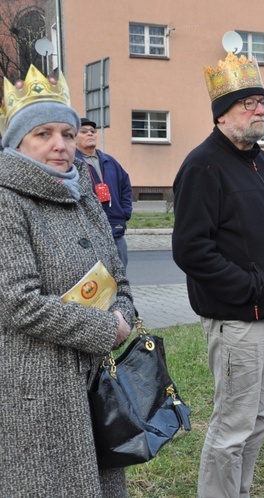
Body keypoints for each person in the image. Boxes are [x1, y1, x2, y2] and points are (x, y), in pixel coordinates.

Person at [171, 52, 264, 497]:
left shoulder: (260, 160)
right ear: (222, 113)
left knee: (258, 419)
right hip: (236, 318)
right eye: (250, 103)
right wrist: (250, 288)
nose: (261, 111)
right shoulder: (202, 165)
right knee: (233, 425)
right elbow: (191, 249)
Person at [0, 65, 134, 496]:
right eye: (43, 134)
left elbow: (120, 280)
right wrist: (106, 328)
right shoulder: (7, 201)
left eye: (68, 134)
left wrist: (125, 314)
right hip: (36, 389)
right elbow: (18, 302)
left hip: (94, 383)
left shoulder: (81, 193)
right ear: (17, 141)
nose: (60, 146)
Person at [75, 118, 133, 270]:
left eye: (93, 132)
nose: (90, 134)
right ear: (74, 136)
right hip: (88, 234)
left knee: (120, 277)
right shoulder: (71, 163)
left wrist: (125, 212)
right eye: (84, 131)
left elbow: (126, 186)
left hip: (115, 228)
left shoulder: (109, 161)